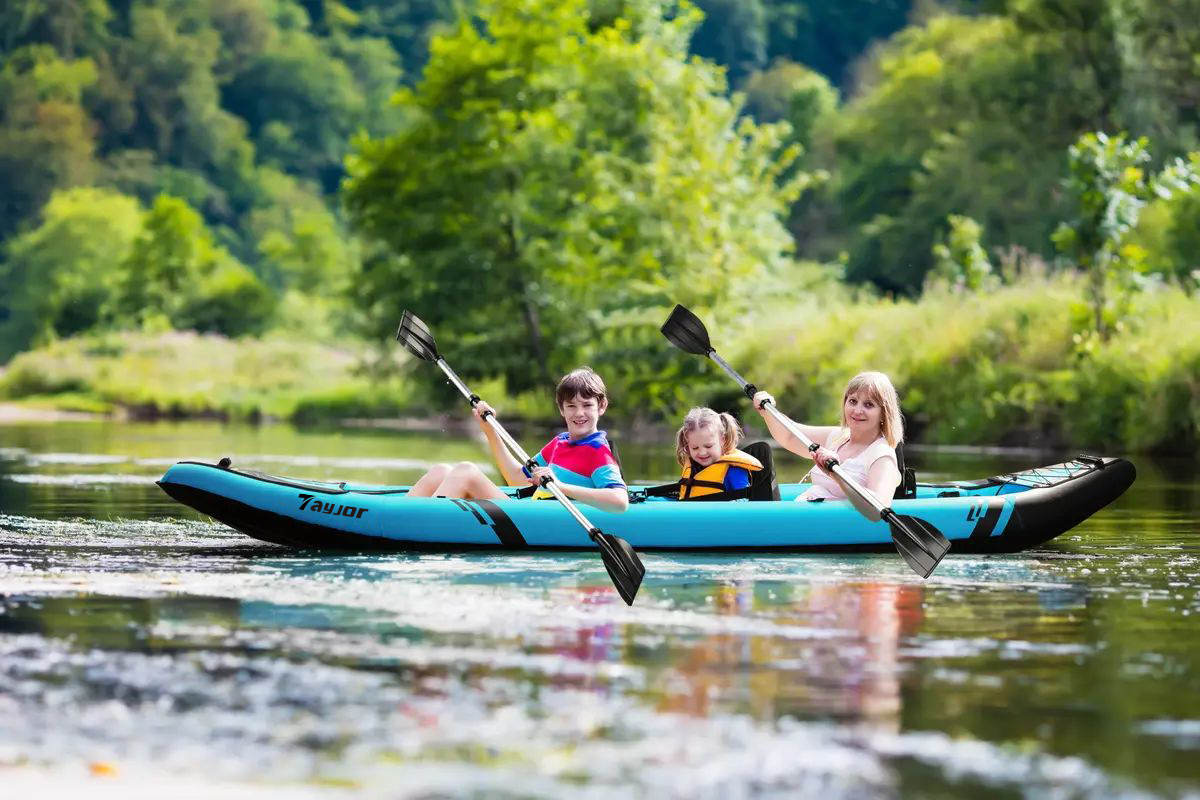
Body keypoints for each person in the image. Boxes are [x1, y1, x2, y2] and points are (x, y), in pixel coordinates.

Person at [406, 367, 629, 513]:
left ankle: (417, 522)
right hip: (529, 511)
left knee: (465, 471)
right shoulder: (560, 442)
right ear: (561, 409)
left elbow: (620, 501)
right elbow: (517, 479)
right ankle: (397, 516)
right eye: (571, 406)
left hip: (541, 521)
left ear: (602, 406)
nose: (579, 413)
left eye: (587, 405)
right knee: (442, 471)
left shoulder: (598, 451)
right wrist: (490, 432)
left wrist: (560, 487)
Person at [752, 371, 903, 503]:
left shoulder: (881, 455)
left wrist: (835, 474)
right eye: (853, 401)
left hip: (834, 529)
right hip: (805, 517)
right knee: (760, 455)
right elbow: (790, 436)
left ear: (884, 413)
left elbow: (879, 503)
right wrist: (767, 411)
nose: (857, 410)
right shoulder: (838, 437)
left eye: (868, 405)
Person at [675, 407, 763, 501]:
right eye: (695, 448)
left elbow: (744, 500)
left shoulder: (734, 469)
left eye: (708, 446)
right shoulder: (693, 467)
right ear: (687, 445)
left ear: (722, 440)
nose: (702, 452)